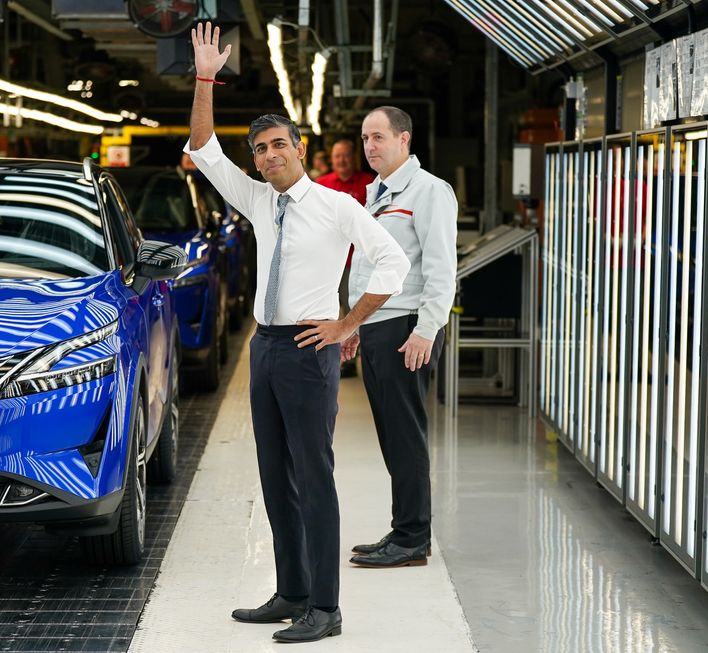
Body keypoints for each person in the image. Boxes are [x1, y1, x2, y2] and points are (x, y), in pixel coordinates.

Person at [185, 23, 409, 643]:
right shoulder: (258, 201)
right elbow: (202, 147)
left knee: (313, 476)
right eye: (260, 149)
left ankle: (327, 608)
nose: (269, 156)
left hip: (311, 353)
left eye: (279, 145)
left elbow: (394, 263)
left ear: (300, 147)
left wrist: (347, 323)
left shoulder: (337, 206)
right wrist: (204, 78)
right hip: (265, 348)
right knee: (273, 473)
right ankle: (291, 591)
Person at [343, 106, 458, 569]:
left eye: (379, 138)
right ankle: (404, 527)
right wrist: (352, 323)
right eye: (365, 139)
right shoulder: (377, 193)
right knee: (392, 435)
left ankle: (412, 539)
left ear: (404, 139)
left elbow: (441, 269)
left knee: (406, 434)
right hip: (376, 327)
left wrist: (426, 330)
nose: (370, 147)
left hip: (405, 327)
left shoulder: (429, 191)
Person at [316, 139, 375, 376]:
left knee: (355, 310)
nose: (342, 161)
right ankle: (332, 355)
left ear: (354, 158)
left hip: (359, 262)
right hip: (329, 262)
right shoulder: (321, 184)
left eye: (346, 156)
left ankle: (351, 359)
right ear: (332, 159)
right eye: (337, 156)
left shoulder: (368, 184)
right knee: (332, 310)